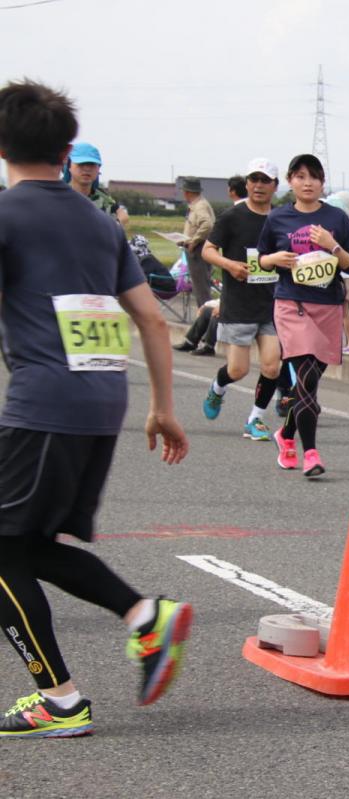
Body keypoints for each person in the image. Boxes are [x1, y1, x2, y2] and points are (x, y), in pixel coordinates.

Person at [0, 80, 191, 738]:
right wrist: (164, 406)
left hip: (42, 402)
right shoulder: (100, 222)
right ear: (65, 151)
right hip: (103, 399)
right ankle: (145, 616)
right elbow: (152, 320)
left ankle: (58, 698)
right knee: (27, 543)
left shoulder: (6, 213)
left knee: (3, 551)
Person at [256, 154, 349, 478]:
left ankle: (285, 435)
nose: (307, 182)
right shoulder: (278, 219)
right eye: (300, 176)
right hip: (291, 304)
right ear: (290, 181)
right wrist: (275, 257)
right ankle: (310, 453)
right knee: (306, 378)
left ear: (322, 182)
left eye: (314, 177)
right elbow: (261, 260)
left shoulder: (336, 219)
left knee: (308, 381)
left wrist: (333, 246)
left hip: (327, 306)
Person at [200, 158, 282, 441]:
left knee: (272, 367)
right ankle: (218, 388)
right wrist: (230, 265)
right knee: (238, 369)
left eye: (265, 181)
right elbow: (207, 251)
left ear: (275, 186)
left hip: (272, 303)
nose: (258, 186)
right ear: (246, 183)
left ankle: (255, 419)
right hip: (239, 303)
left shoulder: (281, 218)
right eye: (254, 180)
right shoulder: (233, 216)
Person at [324, 191, 349, 357]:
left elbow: (346, 252)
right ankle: (348, 343)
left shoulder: (347, 222)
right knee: (345, 310)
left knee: (344, 309)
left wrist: (347, 281)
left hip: (347, 275)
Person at [64, 141, 129, 228]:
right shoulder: (56, 194)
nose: (87, 169)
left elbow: (123, 216)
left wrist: (114, 227)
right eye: (81, 164)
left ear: (98, 169)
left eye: (92, 164)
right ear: (69, 166)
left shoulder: (104, 200)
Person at [178, 176, 215, 308]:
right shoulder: (197, 205)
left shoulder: (200, 206)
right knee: (199, 286)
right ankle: (204, 316)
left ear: (187, 192)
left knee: (201, 288)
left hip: (198, 250)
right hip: (196, 248)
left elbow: (207, 224)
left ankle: (205, 318)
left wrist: (194, 241)